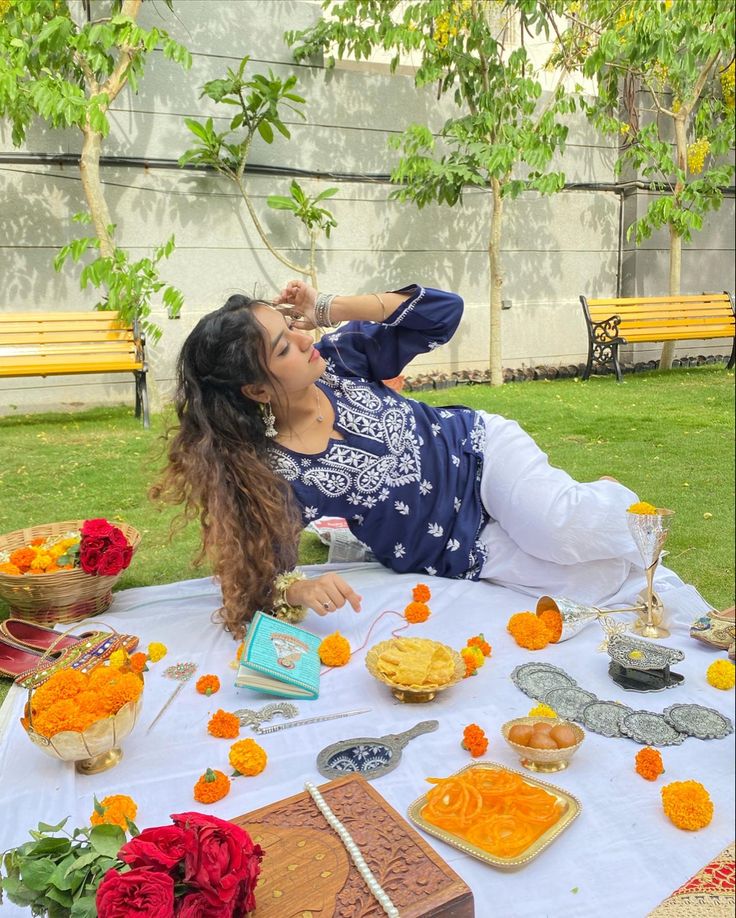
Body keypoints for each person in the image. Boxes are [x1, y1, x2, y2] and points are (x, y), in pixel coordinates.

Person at [153, 281, 702, 637]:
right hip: (458, 546)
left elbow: (441, 312)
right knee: (590, 581)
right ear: (256, 391)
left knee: (557, 527)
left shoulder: (341, 357)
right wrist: (299, 589)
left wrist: (326, 309)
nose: (302, 340)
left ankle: (602, 500)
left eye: (290, 326)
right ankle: (590, 507)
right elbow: (252, 579)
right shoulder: (271, 471)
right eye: (283, 347)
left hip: (480, 455)